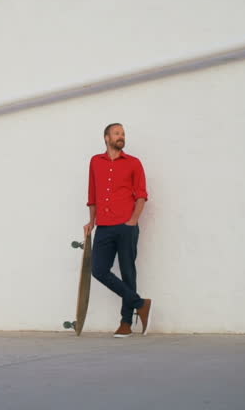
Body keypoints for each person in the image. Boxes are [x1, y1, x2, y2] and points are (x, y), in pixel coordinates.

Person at [84, 123, 152, 338]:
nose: (121, 136)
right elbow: (92, 194)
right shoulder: (95, 161)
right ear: (106, 137)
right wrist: (91, 222)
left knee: (127, 271)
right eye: (117, 133)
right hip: (103, 225)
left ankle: (126, 322)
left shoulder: (133, 163)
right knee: (98, 270)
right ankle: (140, 303)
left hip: (126, 225)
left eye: (123, 134)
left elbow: (141, 195)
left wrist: (132, 221)